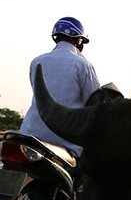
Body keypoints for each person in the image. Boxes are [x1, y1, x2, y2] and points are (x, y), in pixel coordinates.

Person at [19, 17, 100, 157]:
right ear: (79, 40)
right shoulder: (83, 65)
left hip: (29, 135)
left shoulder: (37, 61)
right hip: (65, 141)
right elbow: (94, 102)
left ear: (56, 37)